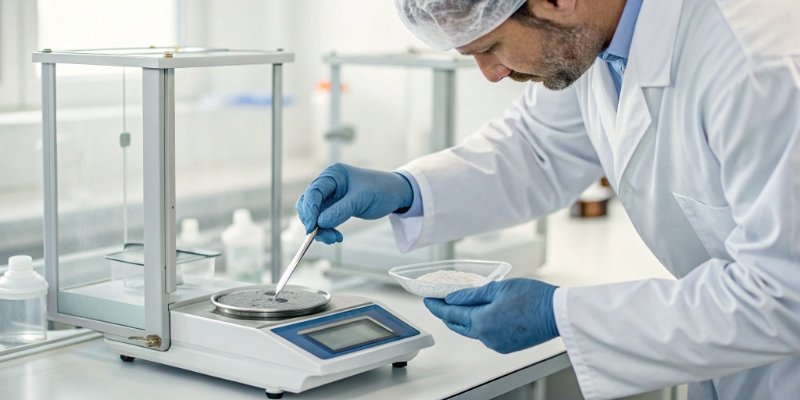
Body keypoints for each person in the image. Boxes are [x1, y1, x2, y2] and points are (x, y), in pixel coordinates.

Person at [296, 0, 800, 398]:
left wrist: (563, 314)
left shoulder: (761, 61)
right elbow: (537, 148)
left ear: (558, 1)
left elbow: (782, 294)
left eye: (490, 47)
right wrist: (408, 190)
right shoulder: (598, 39)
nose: (490, 74)